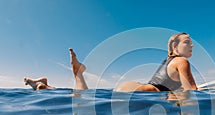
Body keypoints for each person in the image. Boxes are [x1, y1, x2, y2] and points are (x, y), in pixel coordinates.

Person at [25, 33, 199, 92]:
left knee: (86, 104)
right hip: (140, 92)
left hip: (134, 88)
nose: (191, 44)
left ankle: (45, 86)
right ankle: (74, 75)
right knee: (86, 108)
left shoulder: (170, 60)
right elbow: (192, 92)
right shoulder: (182, 61)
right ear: (175, 46)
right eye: (186, 42)